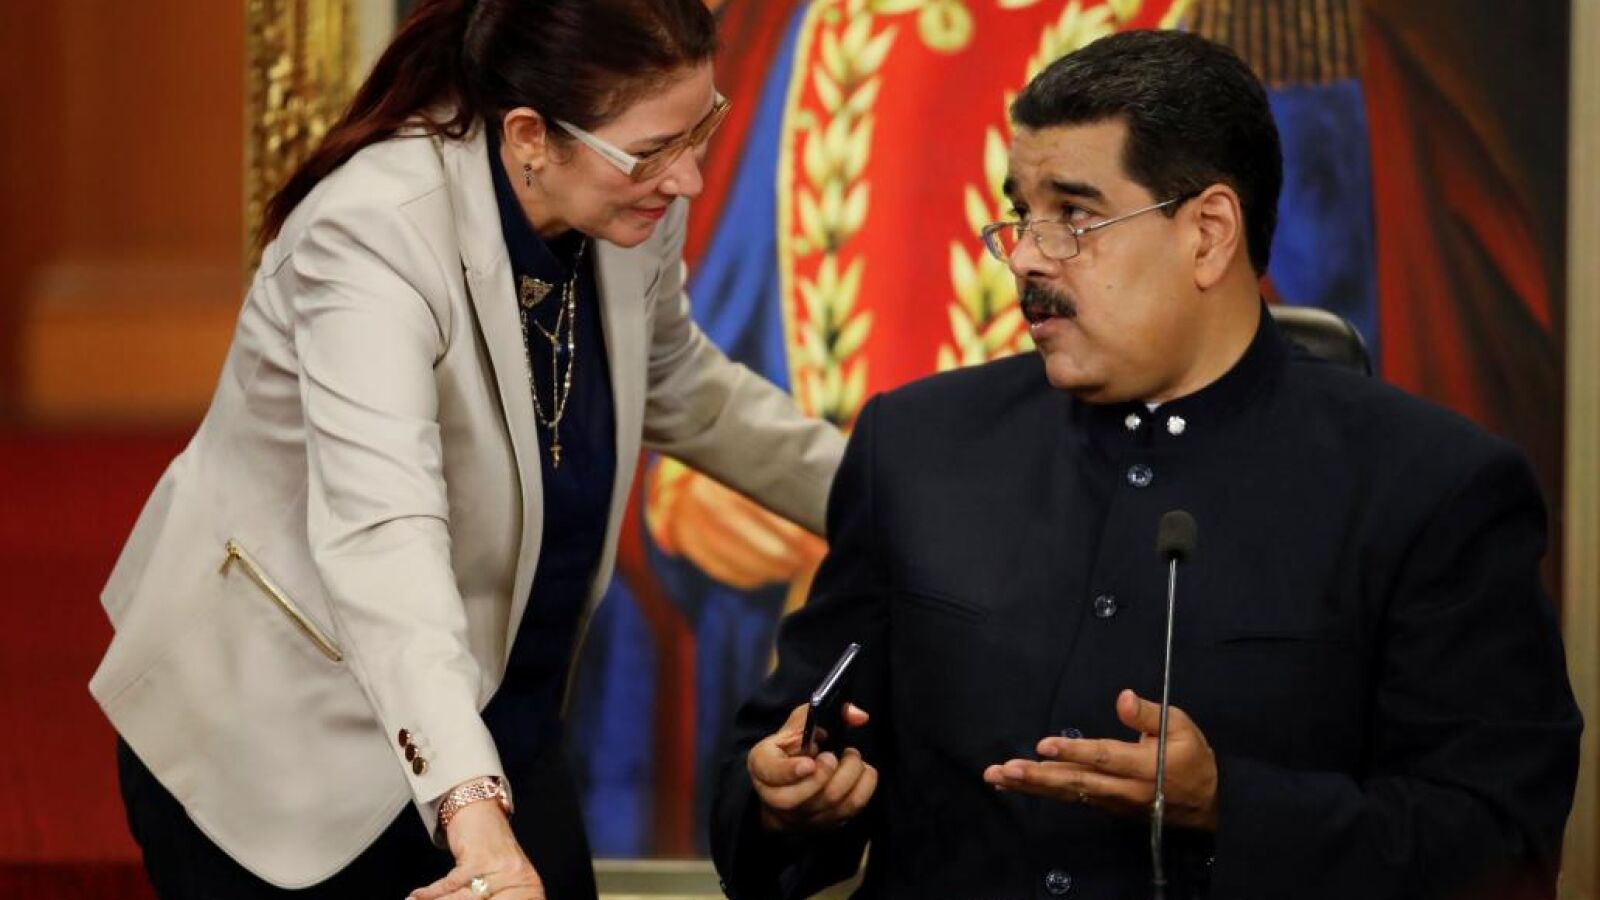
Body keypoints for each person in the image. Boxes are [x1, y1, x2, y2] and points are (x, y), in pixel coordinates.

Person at [711, 29, 1580, 900]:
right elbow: (776, 759)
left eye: (1074, 216)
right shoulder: (915, 445)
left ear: (1208, 234)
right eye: (1021, 213)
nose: (1025, 255)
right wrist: (787, 802)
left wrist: (1229, 806)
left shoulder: (1431, 489)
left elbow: (1500, 846)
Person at [89, 1, 845, 898]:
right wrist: (473, 813)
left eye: (701, 128)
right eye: (653, 151)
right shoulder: (374, 230)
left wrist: (895, 497)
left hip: (497, 704)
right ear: (530, 136)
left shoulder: (626, 197)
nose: (687, 177)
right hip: (283, 741)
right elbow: (384, 537)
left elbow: (679, 381)